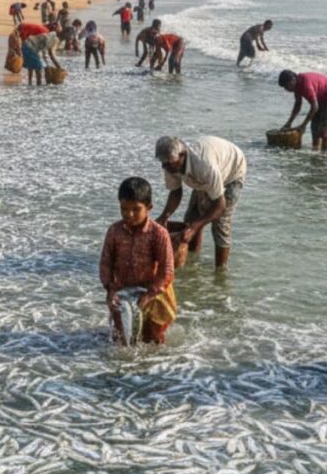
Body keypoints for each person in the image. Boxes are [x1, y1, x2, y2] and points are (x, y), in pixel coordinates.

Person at [99, 177, 177, 344]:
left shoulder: (159, 234)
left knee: (153, 339)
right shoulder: (114, 231)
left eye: (136, 209)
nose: (129, 214)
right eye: (124, 209)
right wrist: (110, 289)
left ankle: (156, 368)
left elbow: (167, 269)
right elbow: (106, 263)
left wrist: (150, 294)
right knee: (122, 340)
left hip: (155, 292)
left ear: (149, 208)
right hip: (124, 290)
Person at [154, 136, 247, 269]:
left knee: (220, 224)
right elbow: (175, 192)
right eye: (162, 162)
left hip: (233, 169)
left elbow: (220, 205)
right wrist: (164, 217)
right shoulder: (170, 164)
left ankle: (220, 271)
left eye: (168, 163)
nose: (164, 166)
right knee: (192, 217)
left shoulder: (204, 165)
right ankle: (193, 260)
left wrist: (195, 228)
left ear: (182, 155)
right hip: (207, 173)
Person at [279, 70, 327, 152]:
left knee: (324, 132)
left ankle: (325, 157)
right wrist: (289, 123)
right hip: (321, 99)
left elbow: (314, 107)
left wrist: (303, 125)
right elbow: (298, 105)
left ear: (292, 80)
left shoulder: (305, 84)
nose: (286, 89)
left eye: (286, 86)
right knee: (315, 130)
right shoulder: (296, 86)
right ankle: (315, 153)